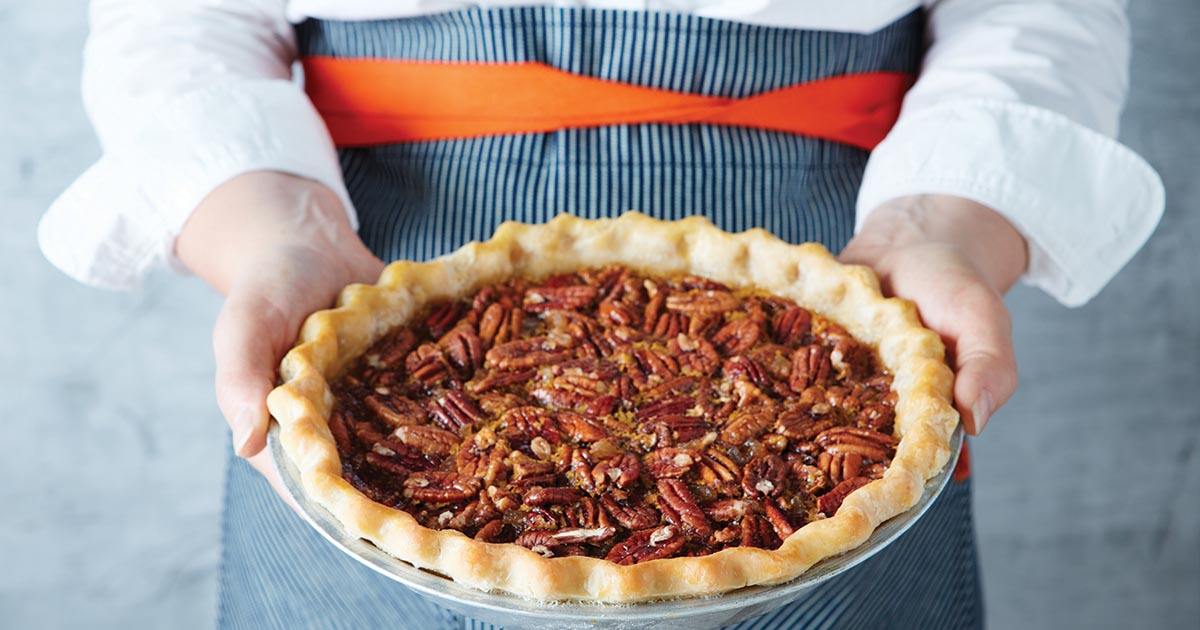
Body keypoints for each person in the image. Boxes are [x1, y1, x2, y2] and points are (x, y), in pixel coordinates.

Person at [41, 1, 1162, 628]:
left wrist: (944, 219)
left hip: (850, 263)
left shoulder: (874, 324)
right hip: (361, 263)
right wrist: (267, 223)